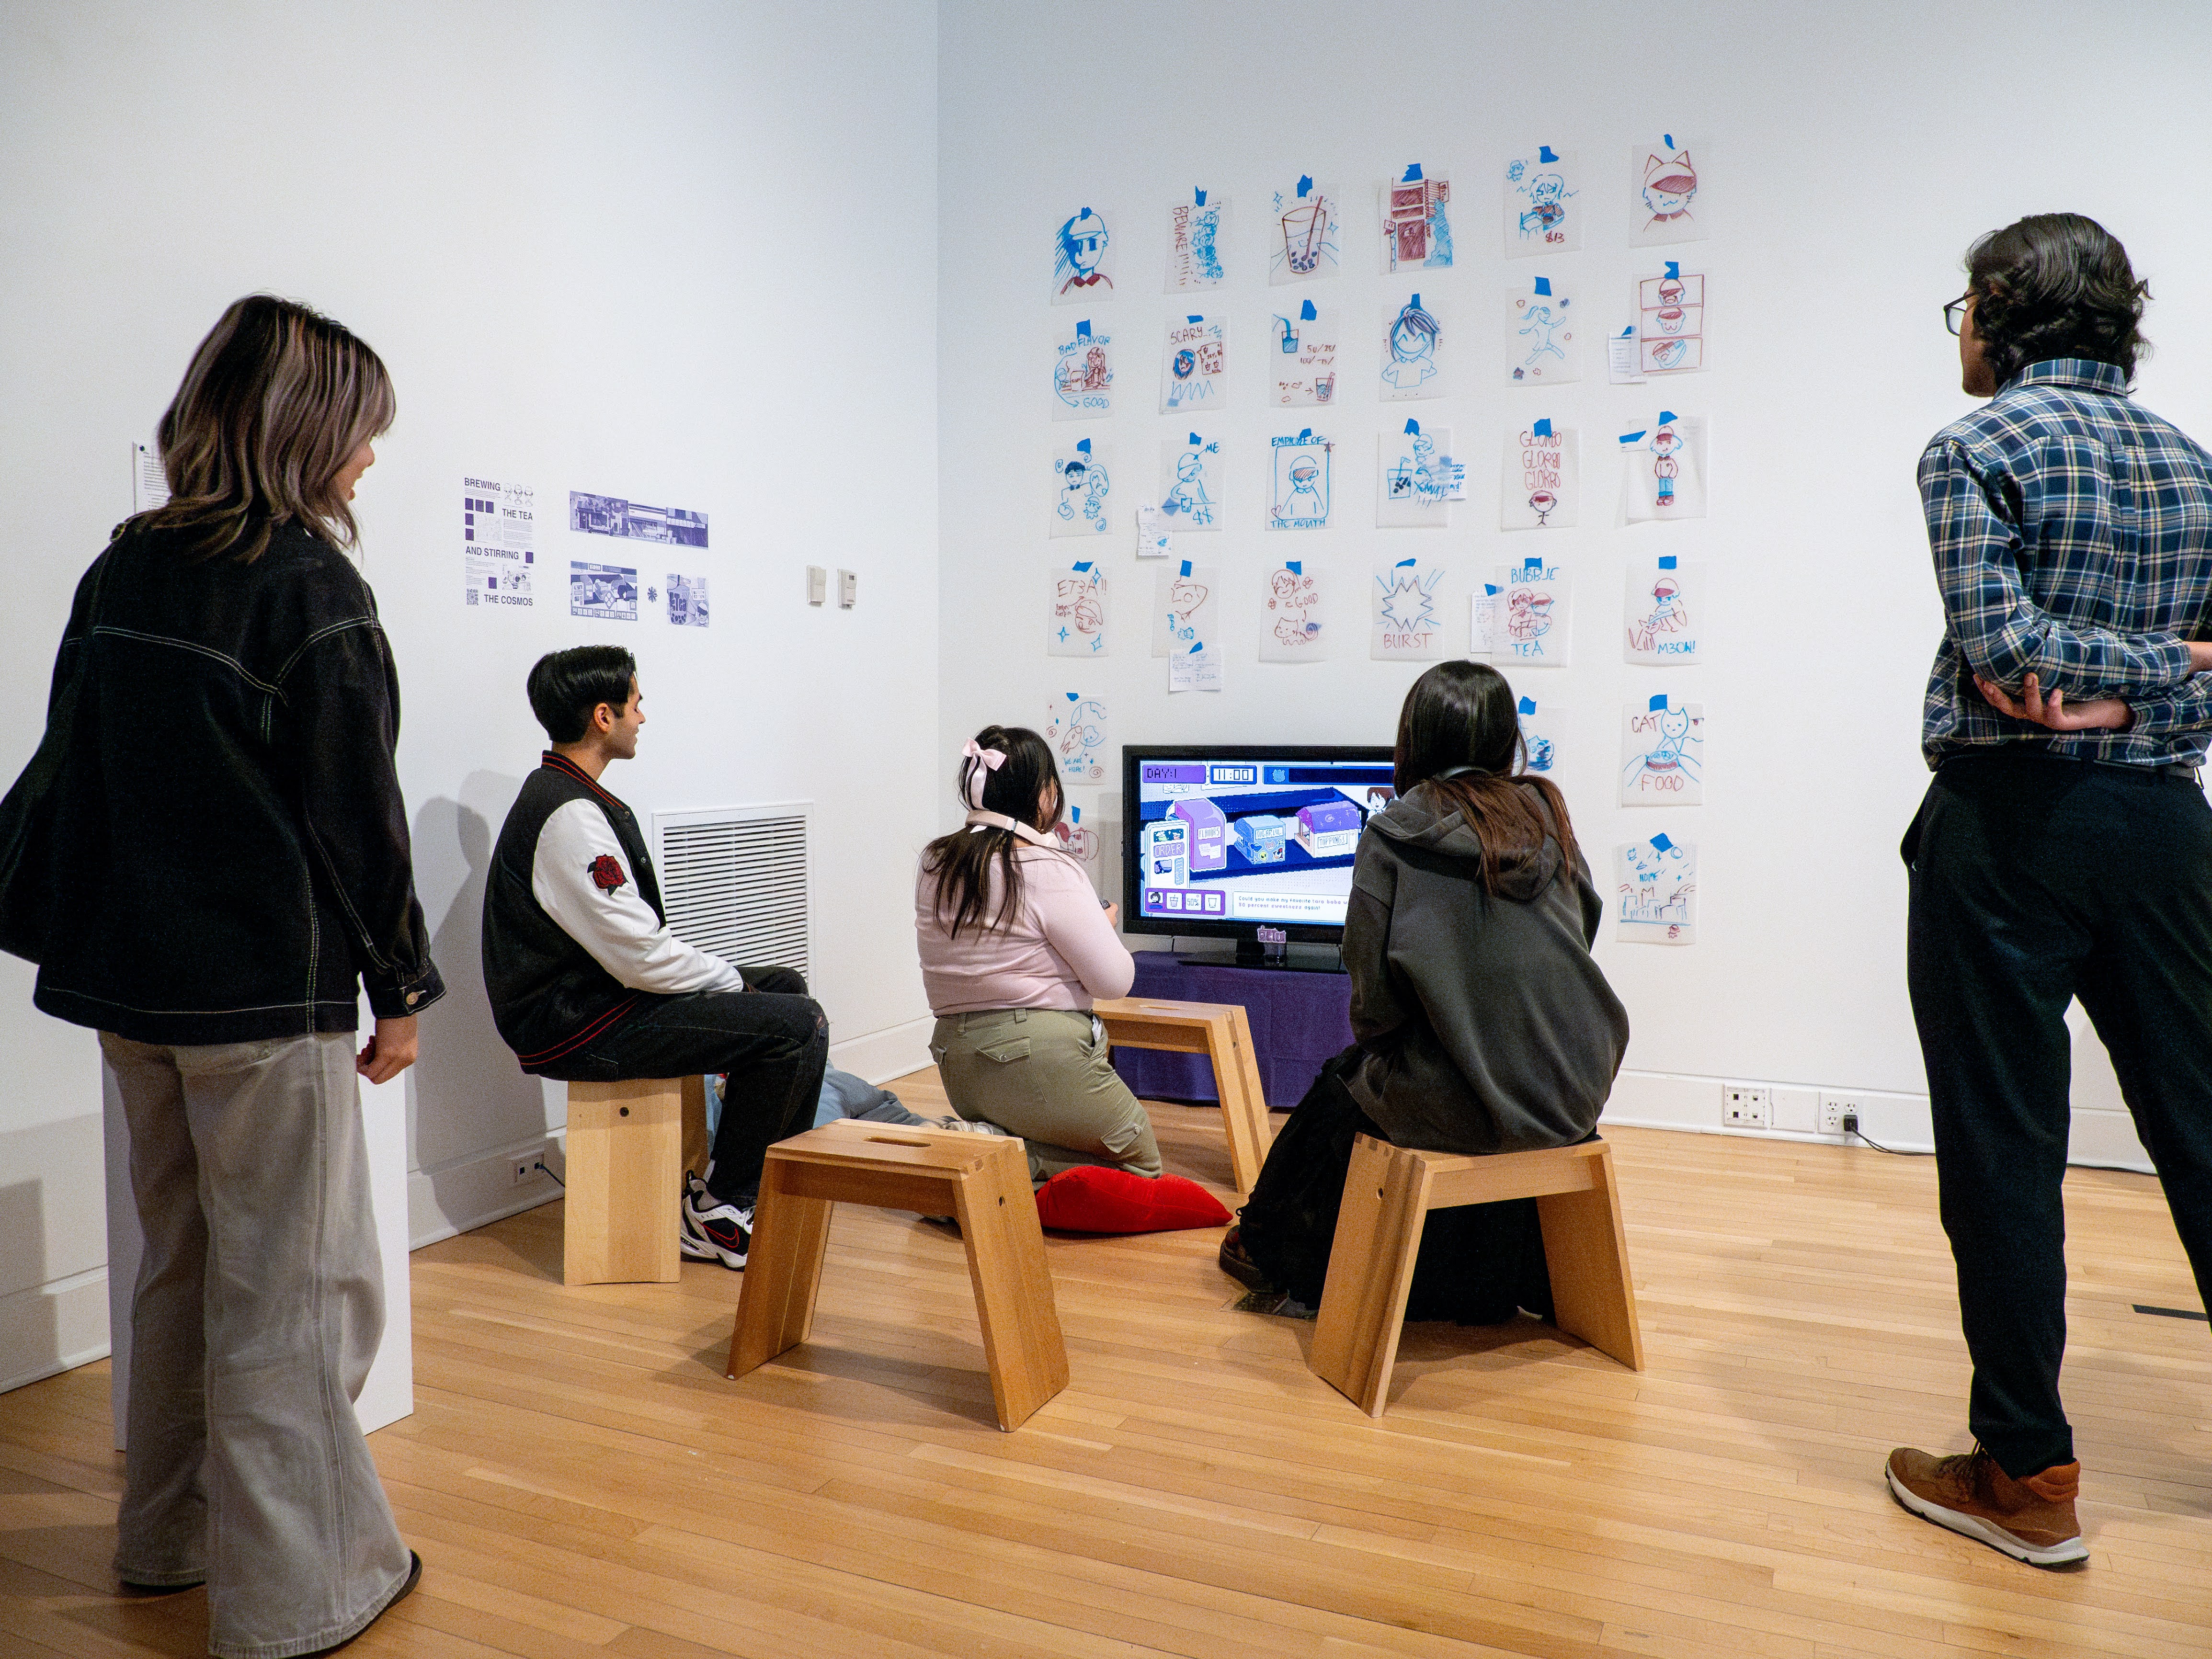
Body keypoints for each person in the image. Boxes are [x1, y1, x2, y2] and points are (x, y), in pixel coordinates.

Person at [10, 295, 435, 1656]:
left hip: (131, 993)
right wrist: (404, 988)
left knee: (180, 1266)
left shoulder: (121, 569)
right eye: (362, 434)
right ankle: (301, 1595)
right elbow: (355, 816)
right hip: (263, 995)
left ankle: (167, 1536)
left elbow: (71, 771)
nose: (371, 459)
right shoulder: (312, 589)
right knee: (298, 1290)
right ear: (308, 432)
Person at [1889, 213, 2212, 1568]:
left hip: (2006, 830)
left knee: (2004, 1148)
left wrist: (2069, 690)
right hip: (2164, 832)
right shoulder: (2197, 468)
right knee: (2203, 1128)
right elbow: (2199, 658)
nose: (1955, 333)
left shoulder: (1972, 448)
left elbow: (2002, 645)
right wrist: (2169, 667)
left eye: (1960, 306)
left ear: (1998, 313)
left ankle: (2028, 1475)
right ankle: (2021, 1463)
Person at [1220, 661, 1629, 1320]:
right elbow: (1579, 937)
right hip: (1577, 1085)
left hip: (1461, 1104)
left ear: (1411, 741)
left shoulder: (1392, 834)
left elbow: (1374, 1005)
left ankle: (1278, 1246)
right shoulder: (1550, 820)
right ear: (1506, 743)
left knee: (1341, 1087)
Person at [480, 646, 828, 1269]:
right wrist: (729, 985)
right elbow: (640, 957)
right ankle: (722, 1208)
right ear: (603, 717)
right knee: (798, 1027)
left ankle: (749, 1193)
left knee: (785, 984)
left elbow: (634, 948)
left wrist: (736, 985)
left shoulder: (569, 797)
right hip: (574, 1025)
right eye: (637, 704)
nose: (645, 717)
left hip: (597, 1000)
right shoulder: (567, 816)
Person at [914, 725, 1159, 1186]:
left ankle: (988, 1143)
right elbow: (1115, 983)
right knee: (1139, 1167)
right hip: (1032, 1054)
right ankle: (996, 1165)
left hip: (956, 1062)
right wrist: (1101, 928)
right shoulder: (1048, 867)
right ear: (1045, 796)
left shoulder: (935, 862)